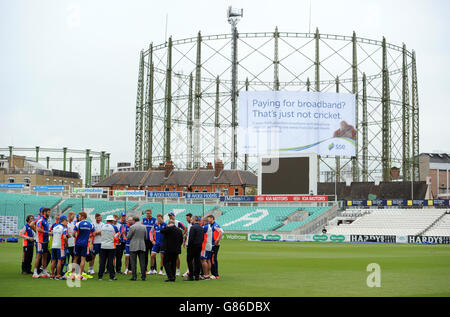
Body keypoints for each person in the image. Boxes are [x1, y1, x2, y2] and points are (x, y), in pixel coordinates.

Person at [71, 212, 94, 280]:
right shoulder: (90, 224)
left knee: (75, 258)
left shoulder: (78, 223)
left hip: (77, 243)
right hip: (85, 244)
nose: (79, 217)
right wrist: (88, 237)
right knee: (82, 259)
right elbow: (93, 233)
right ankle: (80, 275)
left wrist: (77, 237)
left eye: (80, 216)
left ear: (83, 216)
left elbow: (73, 233)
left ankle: (73, 274)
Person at [98, 215, 119, 281]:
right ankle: (111, 277)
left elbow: (101, 234)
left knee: (102, 261)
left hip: (103, 245)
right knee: (110, 261)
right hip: (111, 246)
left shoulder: (102, 226)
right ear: (112, 221)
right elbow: (117, 237)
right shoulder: (114, 227)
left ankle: (100, 276)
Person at [127, 216, 147, 281]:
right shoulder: (144, 227)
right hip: (142, 245)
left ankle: (134, 276)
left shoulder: (132, 227)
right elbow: (145, 237)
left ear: (133, 220)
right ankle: (143, 276)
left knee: (133, 262)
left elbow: (129, 237)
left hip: (133, 245)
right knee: (142, 262)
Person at [33, 208, 51, 278]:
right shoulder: (41, 220)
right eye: (48, 212)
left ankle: (44, 271)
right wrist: (48, 232)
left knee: (45, 256)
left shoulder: (46, 220)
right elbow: (38, 229)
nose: (49, 214)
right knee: (38, 256)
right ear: (44, 213)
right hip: (40, 241)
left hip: (46, 241)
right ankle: (35, 272)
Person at [167, 211, 187, 276]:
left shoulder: (177, 222)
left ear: (174, 216)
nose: (170, 217)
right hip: (170, 241)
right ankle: (170, 270)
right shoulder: (168, 222)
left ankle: (177, 270)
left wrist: (181, 235)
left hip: (176, 241)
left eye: (171, 215)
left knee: (176, 255)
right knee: (169, 256)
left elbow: (184, 228)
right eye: (169, 216)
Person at [185, 216, 203, 281]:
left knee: (189, 261)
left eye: (191, 219)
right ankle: (197, 276)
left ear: (194, 220)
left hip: (192, 247)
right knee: (197, 261)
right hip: (199, 246)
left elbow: (191, 238)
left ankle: (191, 276)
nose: (190, 221)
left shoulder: (193, 227)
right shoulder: (201, 227)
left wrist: (189, 246)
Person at [50, 216, 68, 280]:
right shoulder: (64, 228)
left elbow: (52, 234)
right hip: (60, 246)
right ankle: (58, 275)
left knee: (53, 261)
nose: (67, 223)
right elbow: (65, 237)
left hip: (54, 245)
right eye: (67, 221)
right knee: (59, 261)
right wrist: (67, 243)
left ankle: (52, 275)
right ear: (64, 221)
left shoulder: (55, 227)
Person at [208, 215, 223, 279]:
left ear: (212, 218)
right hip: (211, 244)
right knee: (211, 259)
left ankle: (215, 274)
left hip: (214, 245)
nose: (208, 220)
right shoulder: (211, 225)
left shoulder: (215, 225)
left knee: (213, 259)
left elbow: (220, 231)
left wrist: (217, 240)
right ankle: (213, 273)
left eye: (209, 219)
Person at [142, 209, 157, 274]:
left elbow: (156, 230)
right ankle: (144, 269)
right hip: (145, 240)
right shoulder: (143, 220)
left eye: (149, 213)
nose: (148, 214)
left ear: (151, 213)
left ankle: (154, 269)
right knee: (145, 255)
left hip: (152, 241)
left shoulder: (154, 220)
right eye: (147, 213)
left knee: (153, 255)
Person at [182, 213, 193, 277]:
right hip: (188, 244)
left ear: (191, 218)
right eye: (186, 218)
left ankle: (189, 271)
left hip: (192, 244)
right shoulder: (188, 224)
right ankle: (189, 270)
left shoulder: (192, 225)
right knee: (189, 258)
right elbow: (187, 234)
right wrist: (184, 242)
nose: (186, 219)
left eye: (187, 218)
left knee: (190, 258)